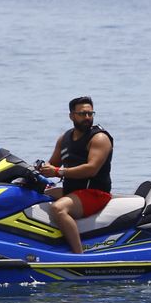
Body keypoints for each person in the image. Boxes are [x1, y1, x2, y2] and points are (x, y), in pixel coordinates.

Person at [35, 96, 113, 253]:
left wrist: (58, 172)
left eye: (90, 114)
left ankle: (79, 256)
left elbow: (91, 169)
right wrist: (36, 169)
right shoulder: (64, 139)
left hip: (95, 193)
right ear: (71, 115)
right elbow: (54, 165)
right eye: (82, 114)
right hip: (72, 190)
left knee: (58, 208)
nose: (87, 118)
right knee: (34, 195)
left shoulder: (99, 138)